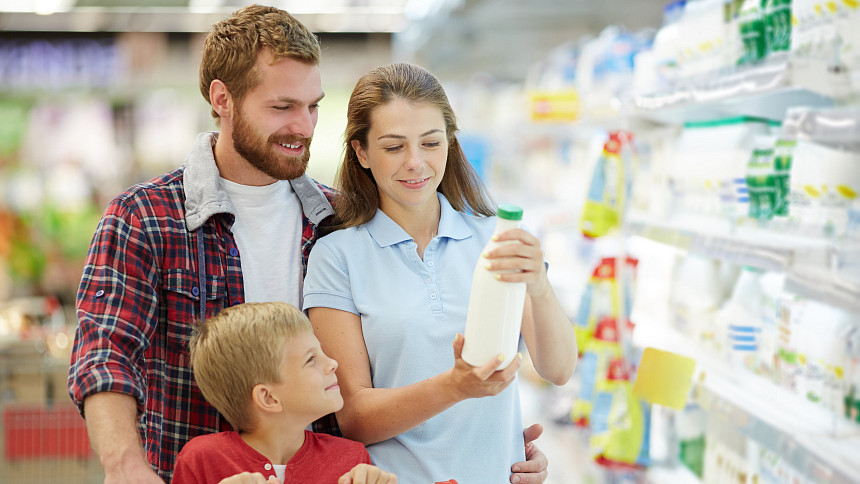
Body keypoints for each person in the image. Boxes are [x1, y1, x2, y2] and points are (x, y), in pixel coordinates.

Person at [67, 4, 548, 483]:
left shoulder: (340, 221)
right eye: (282, 107)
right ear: (222, 98)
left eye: (312, 106)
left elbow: (394, 367)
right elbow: (106, 353)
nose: (304, 126)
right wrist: (125, 466)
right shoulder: (145, 217)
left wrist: (493, 440)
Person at [303, 63, 578, 484]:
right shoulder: (337, 257)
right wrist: (455, 386)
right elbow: (353, 418)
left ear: (449, 142)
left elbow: (558, 370)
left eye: (430, 143)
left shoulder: (496, 238)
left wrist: (538, 285)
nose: (415, 163)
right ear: (361, 152)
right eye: (394, 147)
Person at [172, 302, 396, 484]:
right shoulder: (201, 459)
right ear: (268, 398)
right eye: (311, 359)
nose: (332, 363)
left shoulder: (352, 458)